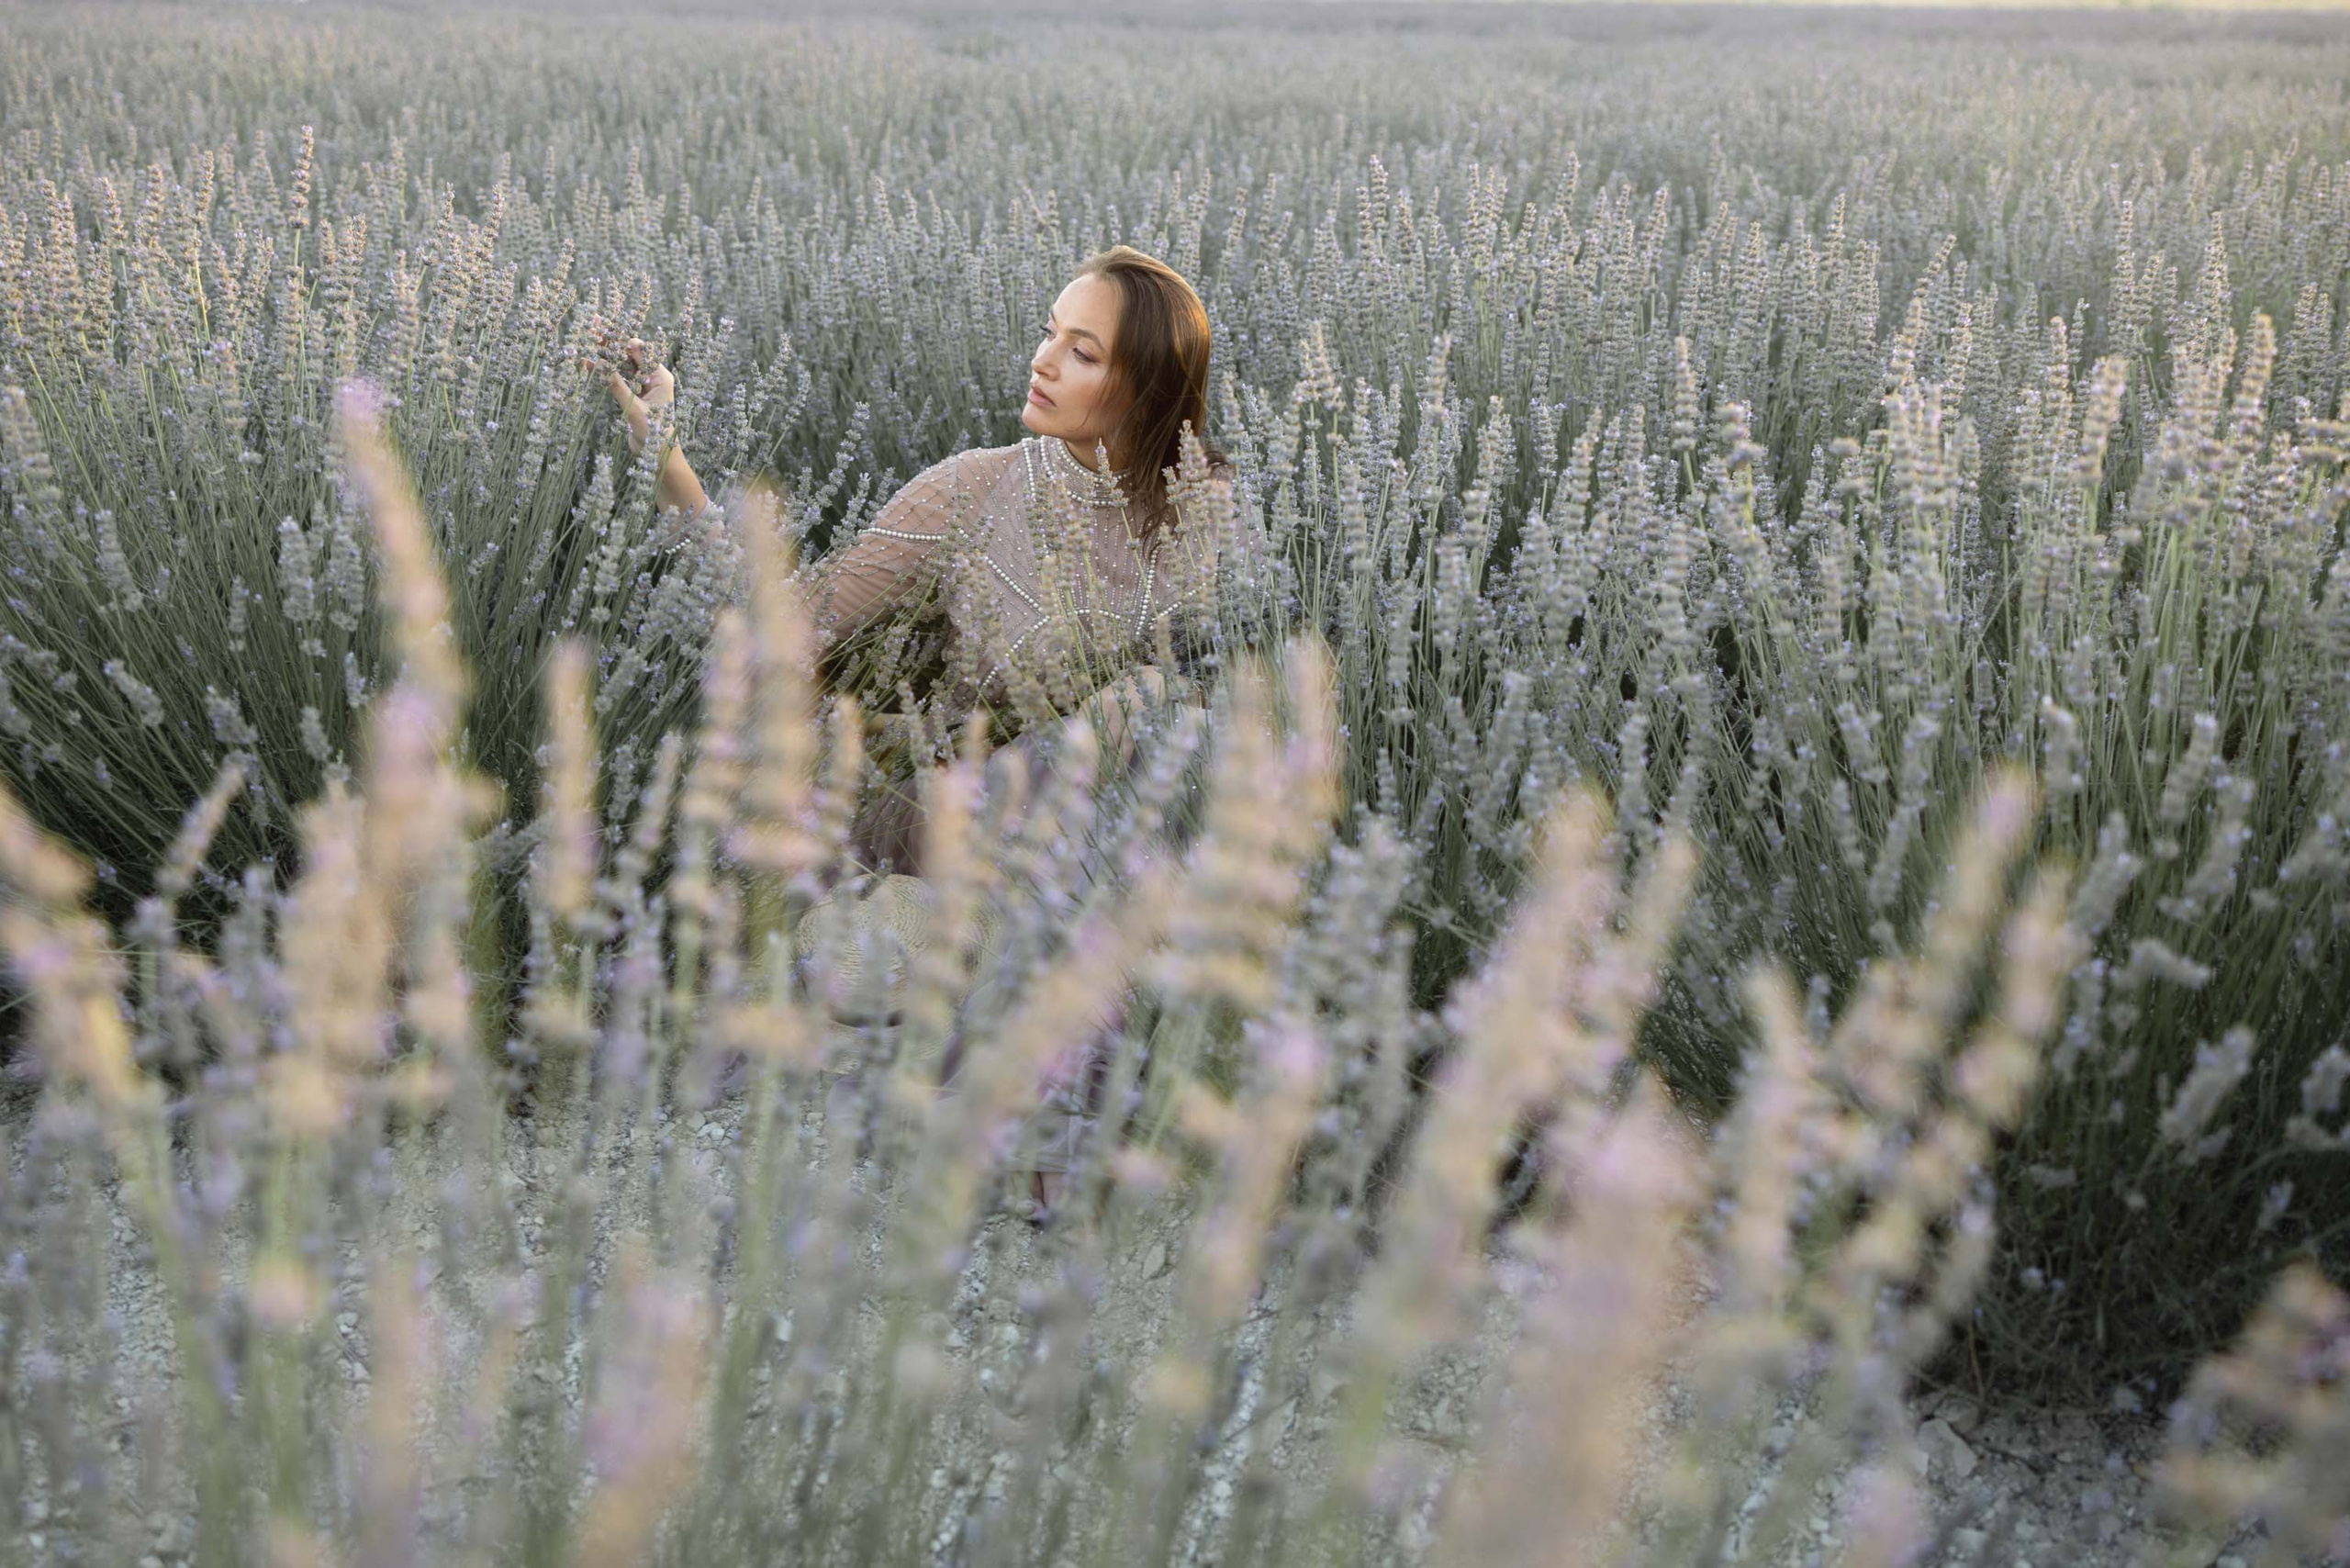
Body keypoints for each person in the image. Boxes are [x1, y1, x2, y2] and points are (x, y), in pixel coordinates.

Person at [603, 245, 1248, 1220]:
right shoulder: (973, 491)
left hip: (1109, 839)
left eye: (1081, 351)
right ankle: (1042, 1129)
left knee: (1147, 725)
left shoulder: (1213, 520)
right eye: (1047, 333)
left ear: (1148, 385)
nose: (1042, 361)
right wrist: (665, 449)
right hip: (950, 813)